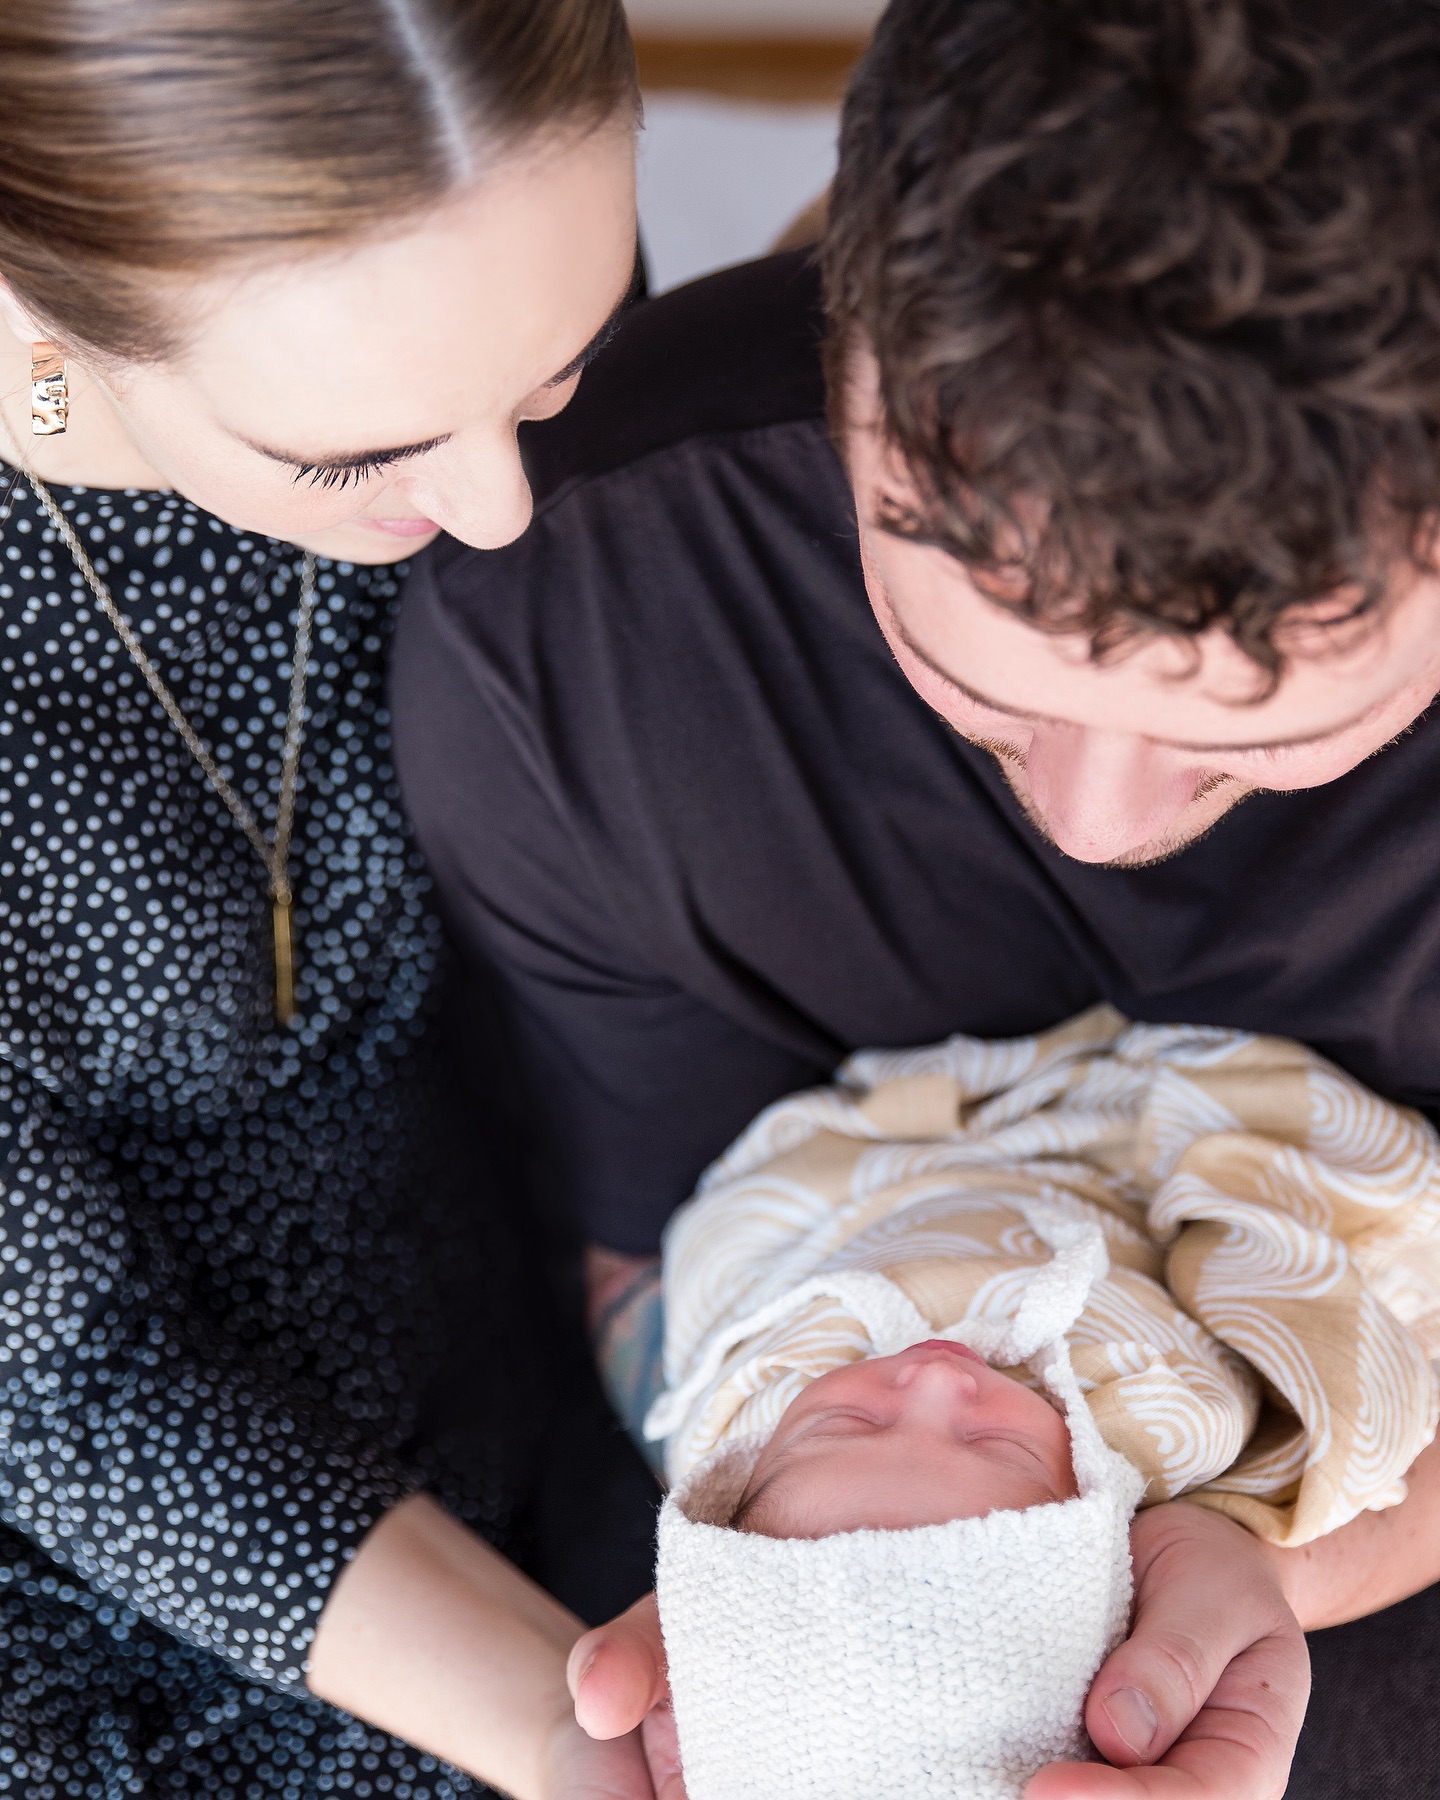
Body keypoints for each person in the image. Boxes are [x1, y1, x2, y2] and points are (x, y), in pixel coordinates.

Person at [389, 0, 1440, 1794]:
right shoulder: (591, 626)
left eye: (1268, 735)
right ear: (851, 353)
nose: (1103, 821)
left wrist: (1280, 1557)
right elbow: (659, 1248)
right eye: (998, 682)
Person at [0, 5, 658, 1798]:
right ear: (43, 309)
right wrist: (567, 1723)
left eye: (554, 374)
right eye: (356, 459)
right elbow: (55, 1393)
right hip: (107, 1595)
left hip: (544, 1361)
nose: (496, 508)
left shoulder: (458, 308)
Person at [636, 1007, 1440, 1798]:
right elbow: (1328, 1403)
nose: (933, 1382)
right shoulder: (1156, 1417)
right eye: (995, 1446)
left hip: (850, 1178)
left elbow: (716, 1332)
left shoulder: (751, 1408)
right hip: (1085, 1164)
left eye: (847, 1421)